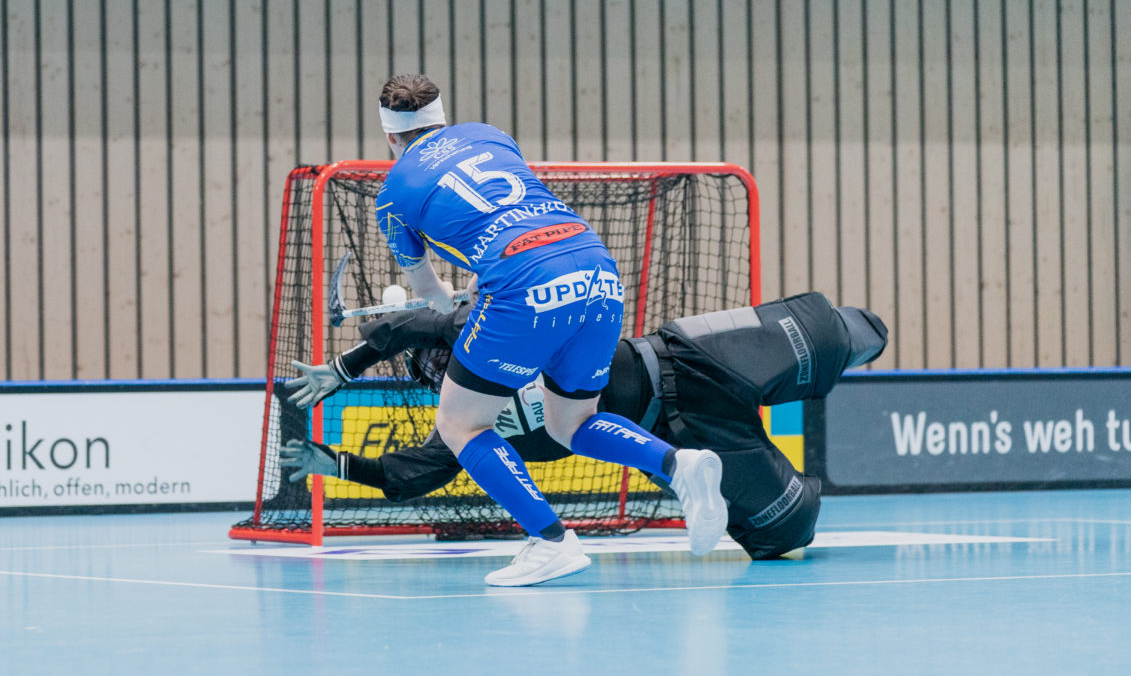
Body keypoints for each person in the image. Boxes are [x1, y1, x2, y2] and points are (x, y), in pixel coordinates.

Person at [318, 73, 726, 586]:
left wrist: (455, 292)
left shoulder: (393, 195)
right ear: (442, 119)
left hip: (523, 286)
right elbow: (515, 215)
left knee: (461, 425)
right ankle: (677, 464)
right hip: (594, 267)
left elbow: (432, 295)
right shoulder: (489, 135)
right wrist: (486, 279)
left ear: (390, 137)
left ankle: (552, 541)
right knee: (571, 423)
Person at [283, 291, 888, 560]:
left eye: (443, 353)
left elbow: (427, 322)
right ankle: (697, 474)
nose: (444, 363)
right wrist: (330, 463)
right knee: (787, 532)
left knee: (842, 332)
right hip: (685, 434)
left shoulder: (489, 335)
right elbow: (403, 476)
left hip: (688, 357)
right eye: (432, 370)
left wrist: (349, 365)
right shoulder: (461, 428)